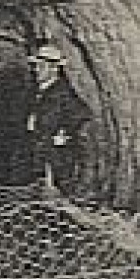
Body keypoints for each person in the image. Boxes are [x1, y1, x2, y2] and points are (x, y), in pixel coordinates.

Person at [24, 41, 93, 193]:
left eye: (41, 66)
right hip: (38, 153)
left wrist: (66, 134)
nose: (36, 70)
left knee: (53, 195)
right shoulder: (39, 91)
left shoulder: (62, 93)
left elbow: (83, 114)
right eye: (36, 66)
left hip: (54, 158)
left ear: (54, 69)